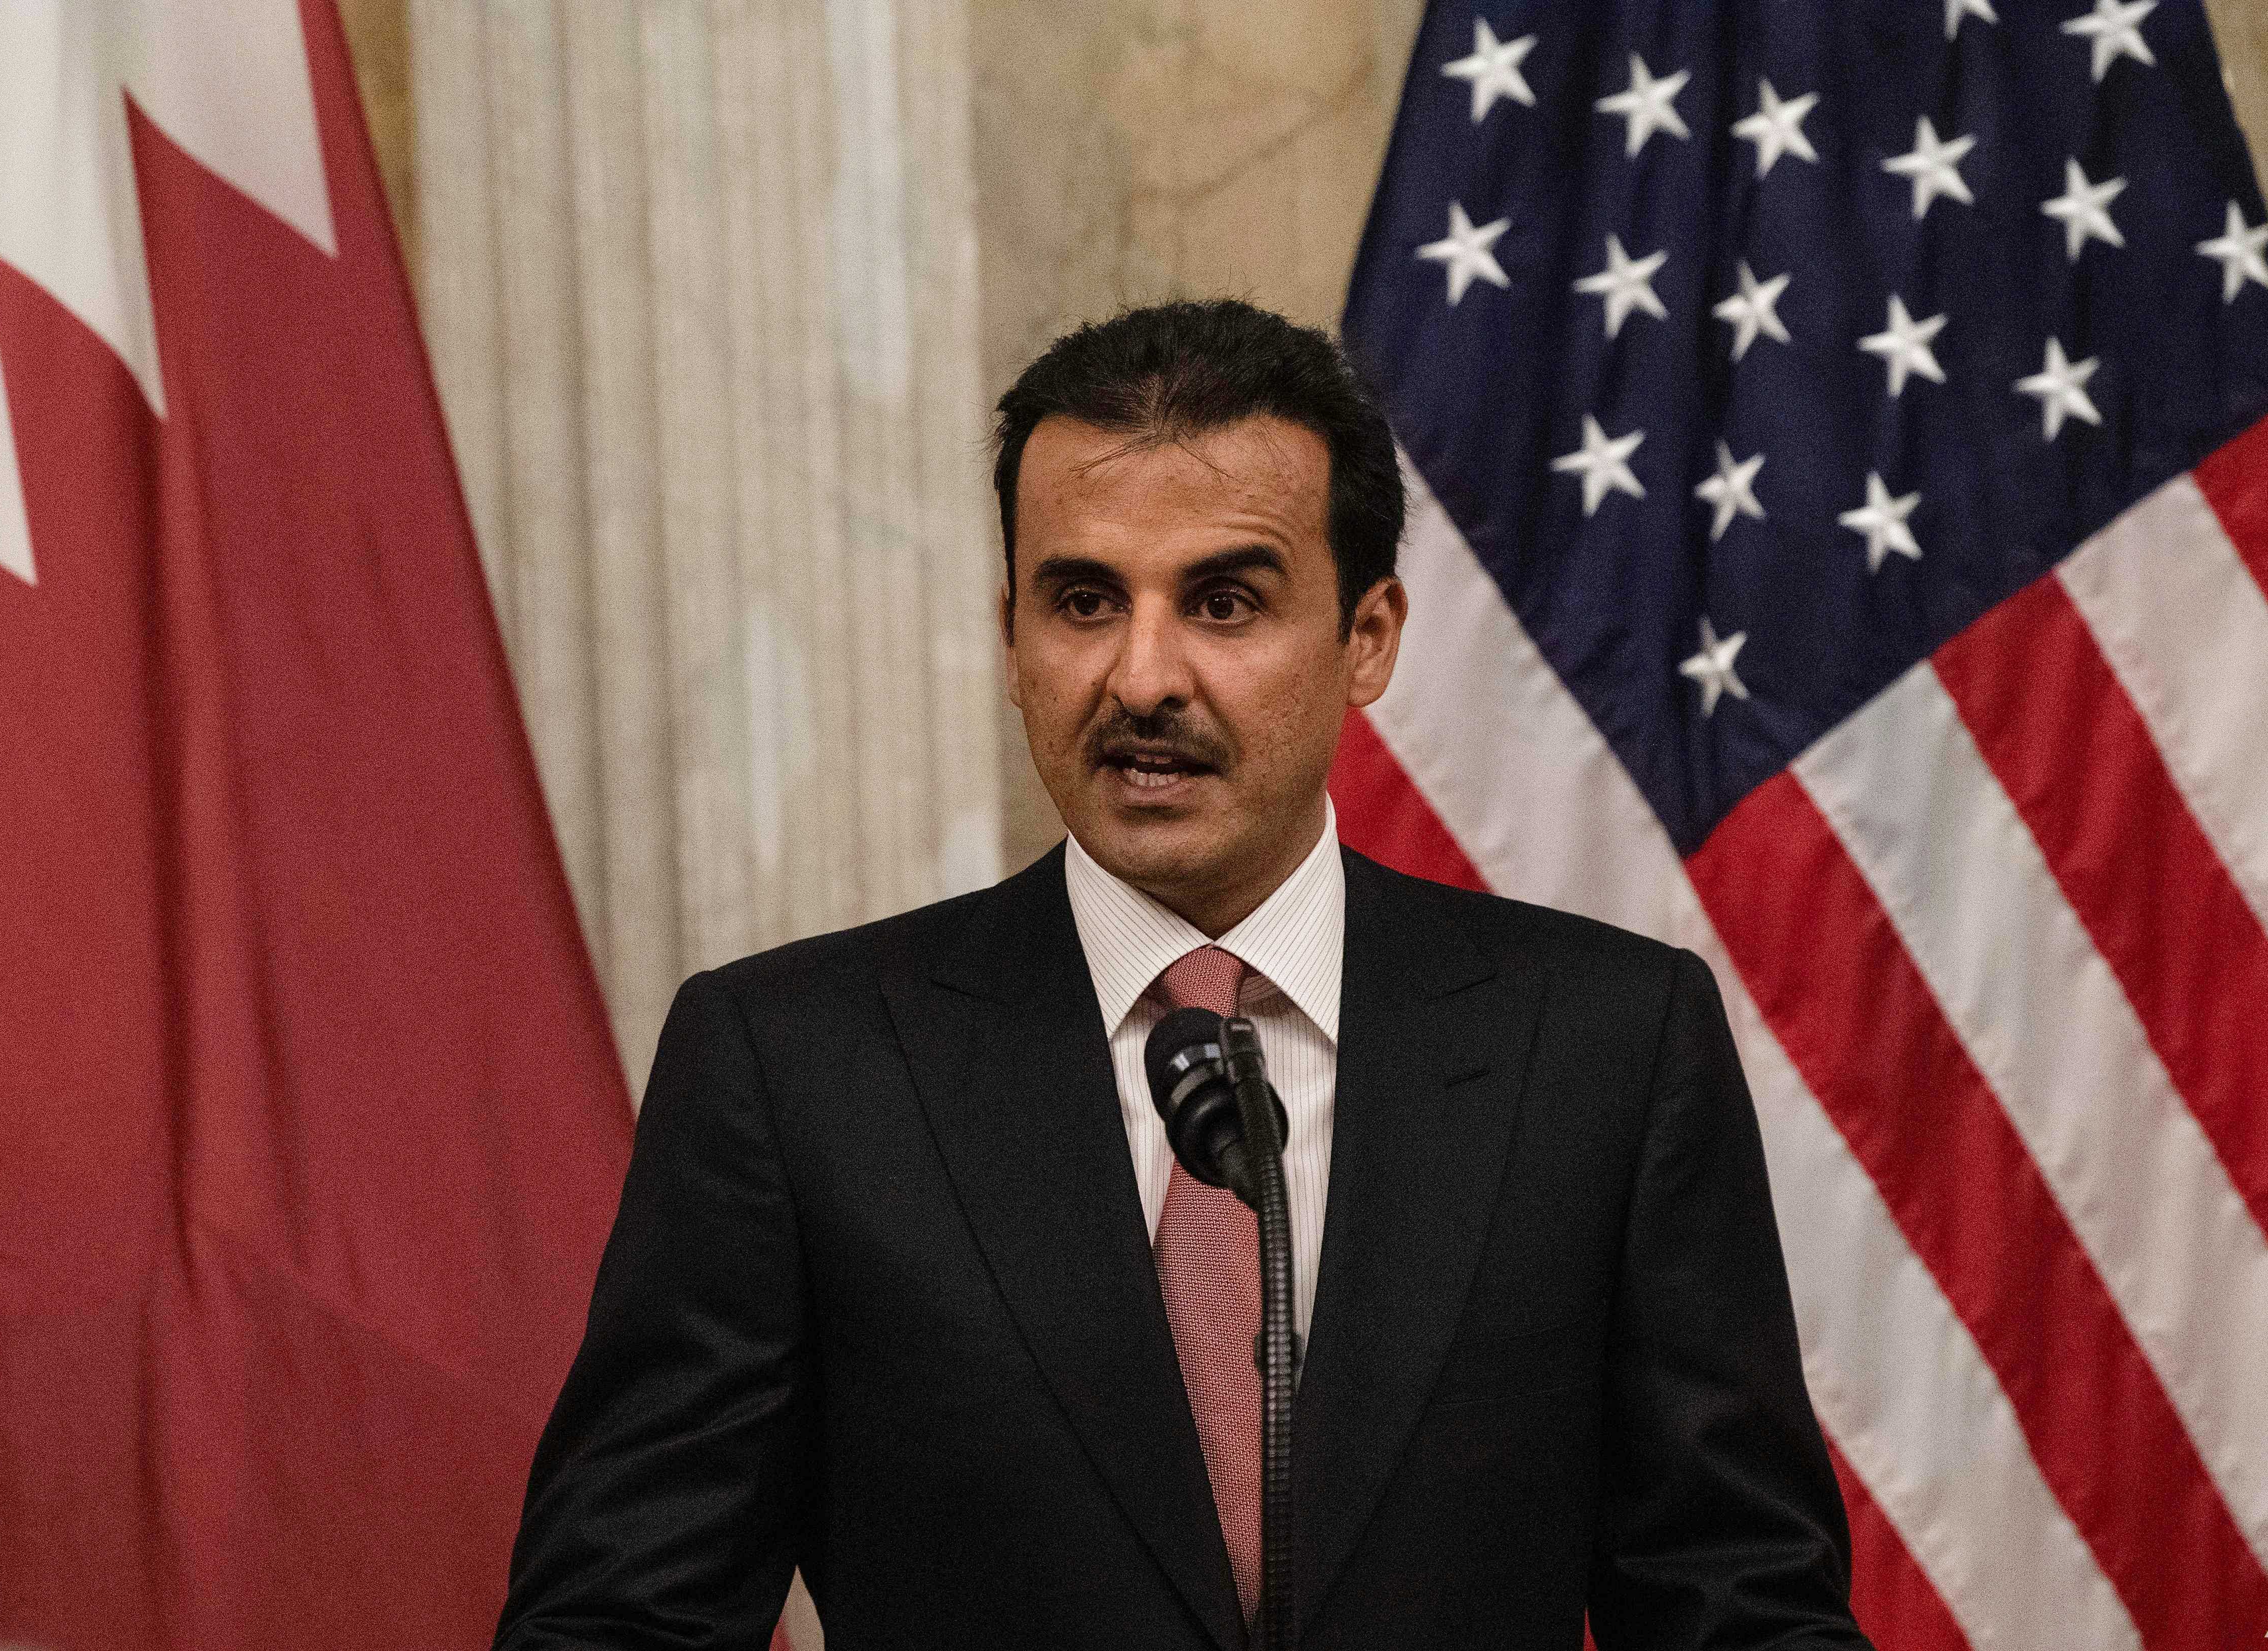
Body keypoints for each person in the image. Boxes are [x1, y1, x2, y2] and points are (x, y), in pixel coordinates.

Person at [494, 301, 1871, 1649]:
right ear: (1012, 635)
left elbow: (1736, 1602)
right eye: (1082, 600)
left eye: (1224, 600)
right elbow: (622, 1614)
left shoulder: (1605, 1050)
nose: (1140, 676)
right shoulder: (795, 1066)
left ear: (1368, 637)